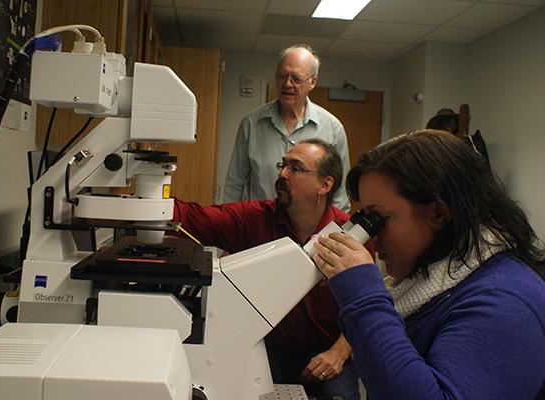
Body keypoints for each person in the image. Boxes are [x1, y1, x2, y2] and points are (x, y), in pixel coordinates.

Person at [312, 130, 545, 399]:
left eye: (379, 218)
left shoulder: (503, 304)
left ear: (438, 213)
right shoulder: (432, 283)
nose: (370, 235)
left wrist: (364, 297)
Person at [174, 139, 360, 400]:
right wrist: (147, 203)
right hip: (266, 349)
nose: (282, 174)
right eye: (282, 165)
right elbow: (194, 218)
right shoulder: (254, 219)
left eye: (295, 168)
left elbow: (365, 307)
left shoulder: (348, 235)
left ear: (325, 184)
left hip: (327, 354)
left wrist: (338, 353)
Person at [224, 43, 351, 212]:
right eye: (282, 76)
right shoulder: (252, 124)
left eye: (296, 79)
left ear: (312, 82)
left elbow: (340, 196)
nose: (287, 84)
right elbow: (234, 184)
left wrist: (328, 235)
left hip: (310, 233)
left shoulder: (332, 129)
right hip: (259, 227)